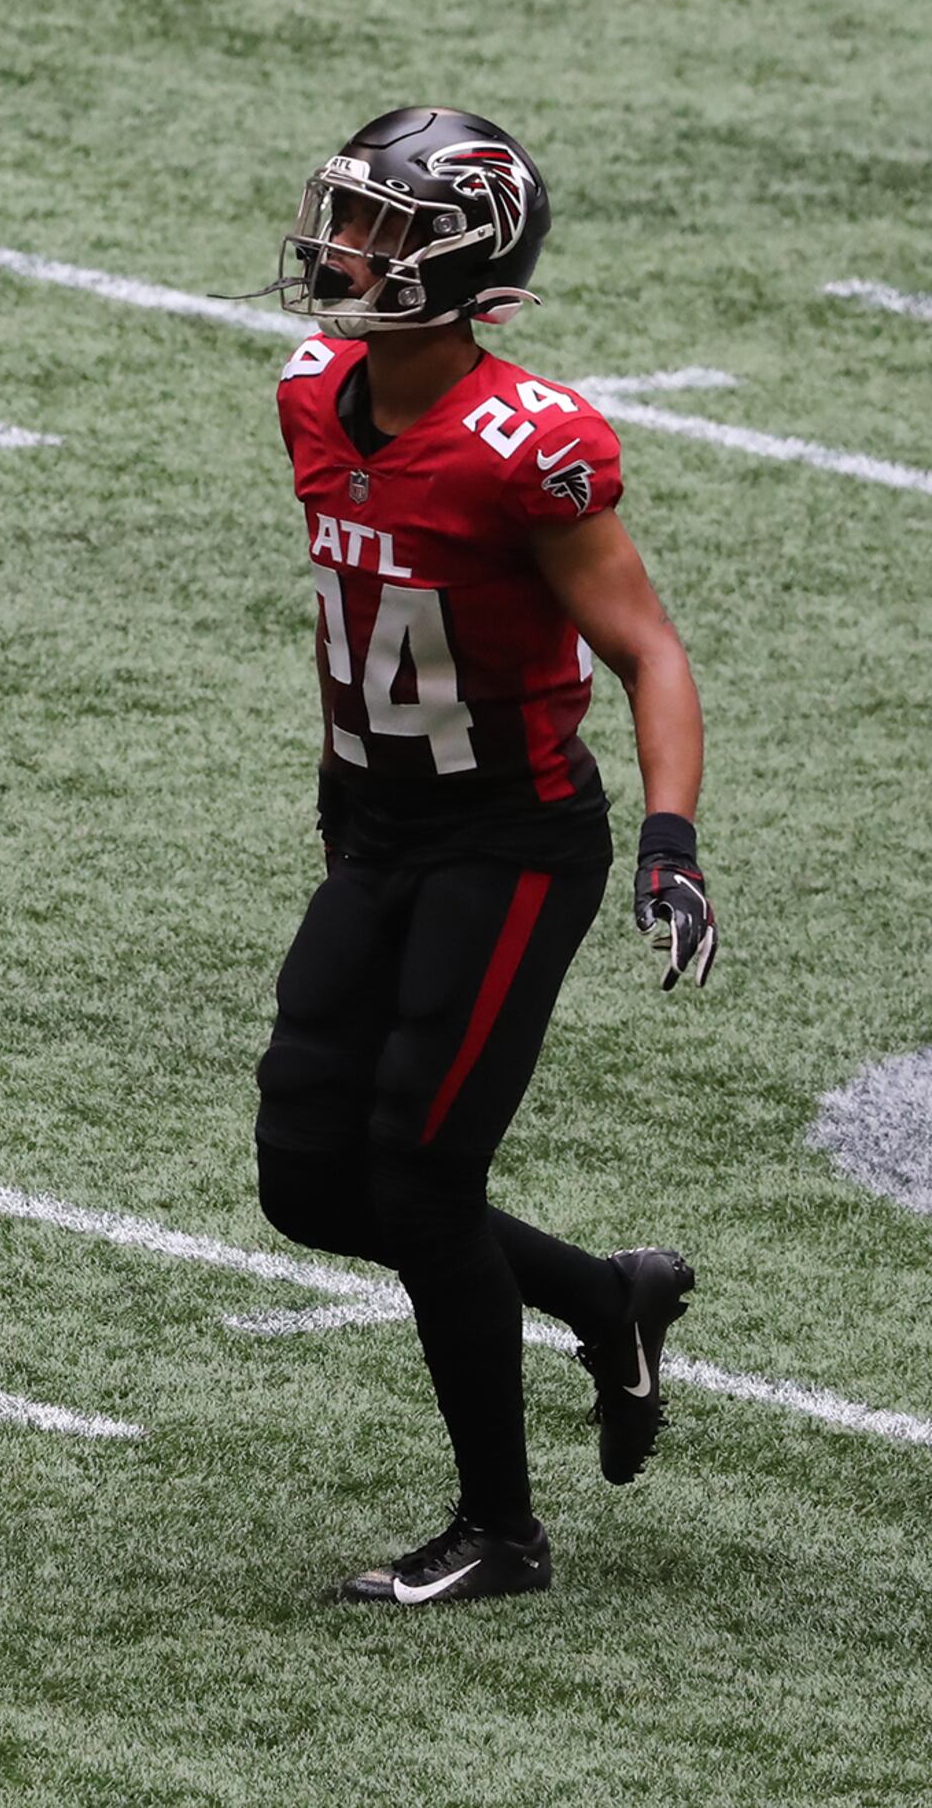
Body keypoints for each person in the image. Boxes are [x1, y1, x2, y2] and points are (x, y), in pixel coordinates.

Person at [240, 107, 710, 1605]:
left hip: (511, 839)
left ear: (463, 265)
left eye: (383, 228)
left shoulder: (532, 449)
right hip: (375, 825)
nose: (342, 248)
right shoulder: (314, 390)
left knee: (426, 1170)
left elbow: (648, 650)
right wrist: (338, 802)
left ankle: (502, 1531)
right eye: (346, 216)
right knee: (310, 1178)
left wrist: (672, 840)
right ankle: (605, 1296)